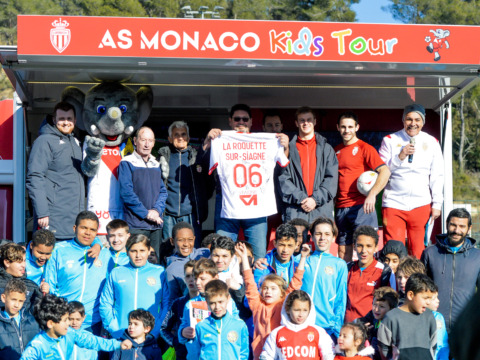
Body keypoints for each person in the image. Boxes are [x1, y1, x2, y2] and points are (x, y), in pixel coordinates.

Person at [202, 103, 290, 260]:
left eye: (245, 119)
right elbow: (203, 168)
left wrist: (285, 148)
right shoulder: (221, 140)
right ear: (230, 121)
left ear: (251, 122)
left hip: (256, 203)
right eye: (237, 119)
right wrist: (208, 144)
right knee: (222, 251)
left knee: (258, 256)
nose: (241, 122)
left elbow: (280, 171)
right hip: (228, 202)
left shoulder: (264, 141)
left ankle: (257, 284)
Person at [379, 104, 444, 259]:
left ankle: (417, 283)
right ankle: (393, 283)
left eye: (417, 119)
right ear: (403, 120)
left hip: (420, 203)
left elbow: (437, 175)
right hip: (394, 202)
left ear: (423, 122)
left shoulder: (432, 142)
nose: (413, 123)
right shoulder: (390, 140)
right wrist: (399, 157)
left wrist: (437, 204)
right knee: (394, 251)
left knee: (418, 251)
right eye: (409, 119)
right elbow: (381, 172)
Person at [335, 111, 390, 262]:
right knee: (342, 252)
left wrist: (372, 194)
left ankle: (369, 285)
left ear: (357, 127)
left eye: (350, 127)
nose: (347, 130)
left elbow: (385, 171)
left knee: (365, 250)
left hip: (361, 208)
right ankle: (345, 284)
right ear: (338, 128)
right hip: (341, 208)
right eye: (343, 127)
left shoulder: (365, 148)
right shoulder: (336, 151)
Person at [237, 240, 308, 359]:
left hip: (280, 352)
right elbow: (249, 282)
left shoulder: (283, 303)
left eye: (273, 288)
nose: (268, 291)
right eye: (265, 288)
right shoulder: (257, 304)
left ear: (281, 293)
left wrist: (303, 258)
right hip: (260, 354)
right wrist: (244, 258)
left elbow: (296, 282)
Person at [26, 101, 85, 240]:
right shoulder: (44, 141)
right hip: (53, 218)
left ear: (75, 121)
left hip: (73, 219)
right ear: (54, 120)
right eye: (61, 119)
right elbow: (35, 176)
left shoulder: (76, 143)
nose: (66, 122)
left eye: (69, 119)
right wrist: (42, 212)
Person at [44, 211, 111, 332]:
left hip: (92, 323)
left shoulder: (105, 255)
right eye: (83, 228)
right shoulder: (59, 250)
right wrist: (58, 313)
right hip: (63, 320)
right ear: (75, 228)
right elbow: (50, 284)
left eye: (92, 229)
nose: (87, 233)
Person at [19, 294, 131, 360]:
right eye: (65, 320)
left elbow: (93, 341)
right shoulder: (37, 346)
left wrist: (118, 344)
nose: (69, 323)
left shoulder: (70, 333)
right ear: (50, 324)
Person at [421, 207, 480, 331]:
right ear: (447, 224)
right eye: (453, 225)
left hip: (465, 326)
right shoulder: (430, 253)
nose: (456, 230)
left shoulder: (477, 257)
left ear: (469, 229)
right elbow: (420, 289)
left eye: (462, 226)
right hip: (433, 323)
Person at [100, 234, 169, 338]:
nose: (138, 255)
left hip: (150, 336)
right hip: (122, 335)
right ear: (127, 252)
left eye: (142, 250)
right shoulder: (116, 272)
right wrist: (114, 329)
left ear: (149, 251)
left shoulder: (159, 272)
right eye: (133, 251)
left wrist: (157, 329)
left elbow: (166, 303)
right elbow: (105, 303)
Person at [279, 106, 338, 223]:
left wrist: (315, 200)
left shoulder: (327, 149)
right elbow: (283, 179)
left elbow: (331, 179)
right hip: (296, 209)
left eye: (309, 120)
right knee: (295, 242)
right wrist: (302, 199)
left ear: (315, 121)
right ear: (296, 123)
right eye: (302, 120)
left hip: (322, 209)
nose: (306, 123)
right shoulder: (287, 149)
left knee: (321, 241)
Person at [118, 126, 168, 257]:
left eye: (150, 140)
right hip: (136, 225)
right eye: (143, 140)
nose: (147, 144)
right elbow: (126, 193)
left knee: (154, 262)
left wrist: (156, 211)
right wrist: (146, 214)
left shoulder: (155, 164)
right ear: (135, 141)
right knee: (137, 260)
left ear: (154, 142)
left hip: (156, 225)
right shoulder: (127, 163)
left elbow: (163, 192)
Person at [158, 121, 209, 244]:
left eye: (183, 134)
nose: (180, 138)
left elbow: (208, 184)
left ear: (188, 138)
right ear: (170, 139)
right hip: (168, 214)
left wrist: (201, 207)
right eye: (176, 135)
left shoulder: (196, 157)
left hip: (191, 214)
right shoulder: (164, 157)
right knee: (168, 250)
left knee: (192, 252)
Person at [301, 216, 347, 340]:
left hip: (327, 328)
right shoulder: (303, 260)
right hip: (301, 324)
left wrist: (337, 330)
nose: (322, 238)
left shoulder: (339, 264)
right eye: (318, 233)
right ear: (312, 236)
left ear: (333, 238)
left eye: (327, 234)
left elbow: (340, 300)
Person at [178, 258, 239, 345]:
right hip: (198, 355)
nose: (197, 282)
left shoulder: (227, 302)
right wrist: (183, 333)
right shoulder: (190, 304)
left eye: (202, 279)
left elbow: (236, 324)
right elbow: (183, 328)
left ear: (215, 277)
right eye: (196, 278)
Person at [260, 290, 335, 360]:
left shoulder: (319, 332)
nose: (301, 314)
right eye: (297, 310)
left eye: (305, 310)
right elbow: (267, 356)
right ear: (287, 309)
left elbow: (328, 354)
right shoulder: (277, 333)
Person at [377, 273, 437, 360]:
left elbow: (433, 345)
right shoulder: (391, 317)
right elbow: (383, 348)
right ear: (410, 295)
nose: (428, 302)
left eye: (430, 299)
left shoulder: (429, 316)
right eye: (425, 298)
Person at [186, 280, 249, 360]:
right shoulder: (201, 326)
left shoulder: (239, 325)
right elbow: (195, 354)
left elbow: (243, 353)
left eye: (220, 302)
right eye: (212, 303)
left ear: (228, 298)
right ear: (207, 302)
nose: (217, 307)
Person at [345, 226, 395, 323]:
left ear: (376, 248)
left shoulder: (385, 271)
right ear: (354, 246)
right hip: (346, 328)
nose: (364, 250)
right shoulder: (347, 268)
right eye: (360, 245)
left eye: (368, 246)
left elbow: (392, 304)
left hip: (370, 330)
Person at [165, 222, 209, 308]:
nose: (186, 244)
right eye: (181, 240)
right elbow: (173, 298)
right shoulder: (171, 269)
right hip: (191, 309)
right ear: (172, 241)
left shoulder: (205, 253)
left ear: (194, 239)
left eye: (190, 240)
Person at [161, 260, 198, 359]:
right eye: (188, 276)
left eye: (194, 276)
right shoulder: (178, 303)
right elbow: (163, 328)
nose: (191, 280)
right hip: (183, 354)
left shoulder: (210, 302)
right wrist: (175, 342)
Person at [0, 279, 40, 360]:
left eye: (20, 301)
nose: (17, 305)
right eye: (13, 300)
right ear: (4, 298)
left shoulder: (33, 322)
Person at [355, 287, 399, 360]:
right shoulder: (370, 318)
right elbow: (359, 322)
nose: (376, 309)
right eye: (375, 304)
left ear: (391, 309)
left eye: (381, 306)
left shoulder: (393, 326)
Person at [0, 243, 42, 312]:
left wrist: (42, 293)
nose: (23, 265)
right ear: (7, 263)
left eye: (24, 261)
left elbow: (39, 313)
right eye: (19, 262)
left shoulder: (31, 286)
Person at [427, 290, 449, 360]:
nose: (438, 301)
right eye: (434, 298)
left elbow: (441, 344)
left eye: (437, 297)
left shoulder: (437, 317)